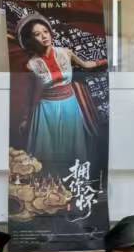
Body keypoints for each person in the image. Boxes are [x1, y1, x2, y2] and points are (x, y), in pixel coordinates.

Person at [16, 14, 104, 170]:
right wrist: (25, 118)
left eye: (45, 31)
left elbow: (86, 65)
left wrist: (107, 60)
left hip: (70, 105)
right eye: (37, 34)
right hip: (46, 109)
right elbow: (30, 93)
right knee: (46, 156)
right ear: (31, 39)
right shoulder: (31, 65)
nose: (44, 36)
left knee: (73, 150)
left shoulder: (66, 52)